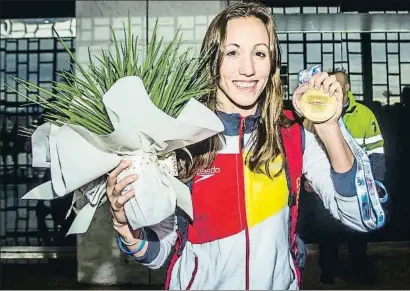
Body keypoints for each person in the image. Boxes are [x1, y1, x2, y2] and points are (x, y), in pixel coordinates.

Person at [106, 3, 382, 290]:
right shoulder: (179, 138)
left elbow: (362, 218)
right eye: (232, 52)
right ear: (213, 59)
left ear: (272, 62)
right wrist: (127, 228)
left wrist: (328, 127)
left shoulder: (294, 135)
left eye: (259, 53)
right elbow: (160, 251)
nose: (248, 69)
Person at [297, 69, 386, 285]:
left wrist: (373, 185)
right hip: (324, 188)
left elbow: (377, 153)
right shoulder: (315, 110)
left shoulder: (364, 114)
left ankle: (358, 271)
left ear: (346, 87)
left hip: (358, 190)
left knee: (357, 235)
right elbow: (305, 151)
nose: (332, 86)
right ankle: (328, 272)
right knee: (328, 236)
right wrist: (308, 181)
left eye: (338, 83)